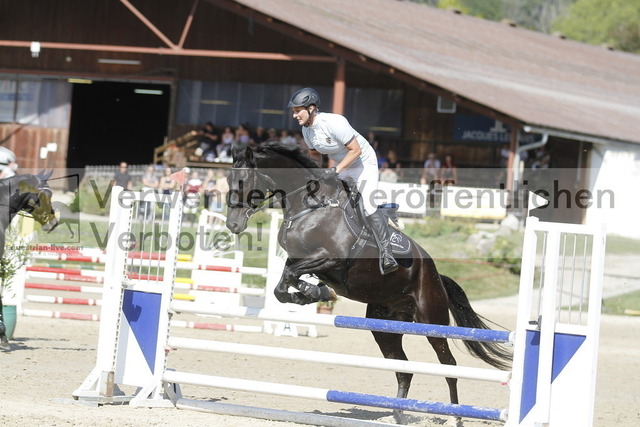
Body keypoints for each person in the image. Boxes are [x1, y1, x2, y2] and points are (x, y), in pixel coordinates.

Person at [288, 87, 398, 274]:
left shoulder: (334, 122)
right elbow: (315, 154)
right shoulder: (307, 131)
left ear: (311, 108)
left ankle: (387, 254)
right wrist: (315, 174)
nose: (295, 115)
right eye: (294, 111)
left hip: (363, 163)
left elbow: (356, 150)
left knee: (368, 205)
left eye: (298, 111)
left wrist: (335, 170)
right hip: (342, 165)